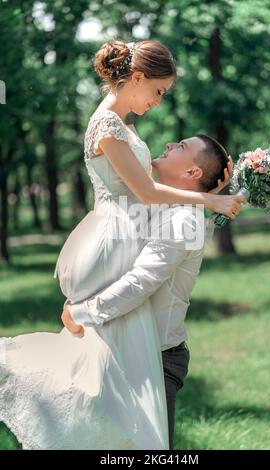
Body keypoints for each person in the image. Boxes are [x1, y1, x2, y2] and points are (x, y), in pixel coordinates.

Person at [0, 40, 245, 450]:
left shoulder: (121, 124)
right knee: (115, 403)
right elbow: (147, 191)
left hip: (126, 234)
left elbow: (152, 182)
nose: (158, 101)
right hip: (114, 233)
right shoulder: (109, 125)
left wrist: (217, 186)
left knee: (101, 382)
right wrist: (209, 197)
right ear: (137, 78)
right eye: (158, 91)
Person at [61, 133, 232, 449]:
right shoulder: (167, 205)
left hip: (156, 360)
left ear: (193, 173)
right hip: (123, 347)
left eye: (180, 147)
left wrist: (80, 313)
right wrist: (211, 193)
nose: (168, 145)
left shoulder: (184, 220)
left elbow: (139, 283)